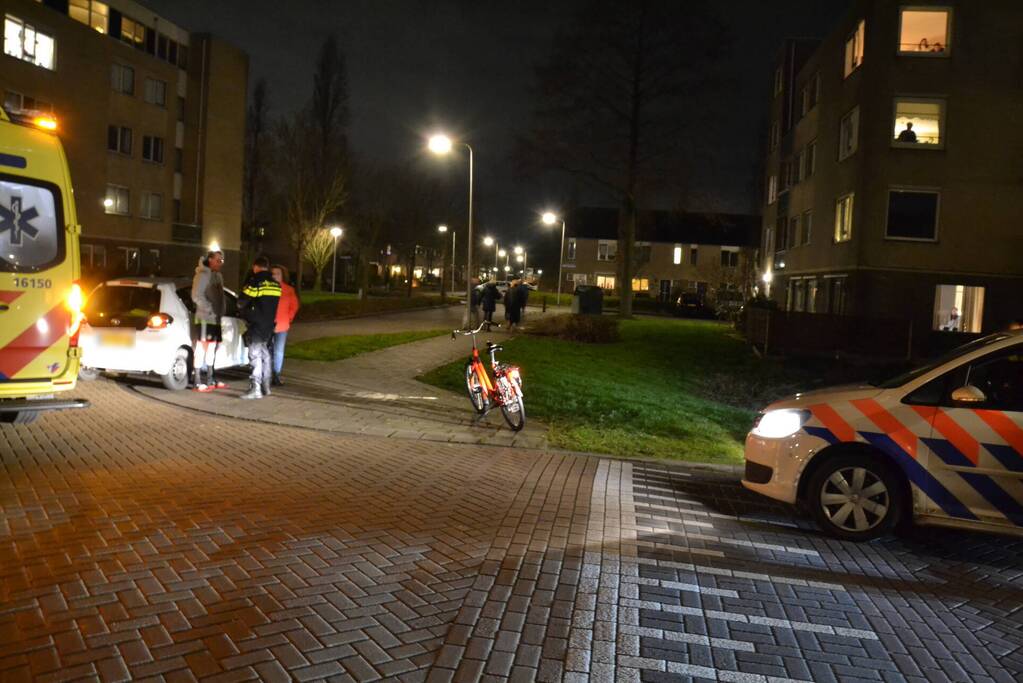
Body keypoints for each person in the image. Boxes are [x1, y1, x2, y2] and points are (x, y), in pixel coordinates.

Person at [237, 255, 281, 400]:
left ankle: (255, 389)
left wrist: (245, 312)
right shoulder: (276, 285)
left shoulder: (256, 282)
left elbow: (242, 301)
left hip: (256, 324)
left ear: (255, 267)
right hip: (269, 325)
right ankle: (266, 387)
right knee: (265, 354)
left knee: (255, 356)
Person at [190, 250, 226, 392]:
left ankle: (210, 379)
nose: (220, 263)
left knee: (212, 348)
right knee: (201, 348)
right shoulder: (203, 275)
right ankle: (197, 381)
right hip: (205, 318)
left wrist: (220, 311)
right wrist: (209, 309)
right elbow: (196, 295)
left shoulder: (218, 276)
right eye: (218, 260)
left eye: (221, 261)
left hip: (215, 318)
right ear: (210, 259)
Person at [271, 264, 300, 386]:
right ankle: (266, 374)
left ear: (283, 276)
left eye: (277, 274)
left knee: (278, 351)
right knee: (267, 350)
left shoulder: (288, 290)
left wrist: (289, 318)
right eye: (273, 274)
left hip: (282, 324)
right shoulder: (267, 288)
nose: (275, 276)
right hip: (268, 324)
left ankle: (276, 375)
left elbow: (294, 306)